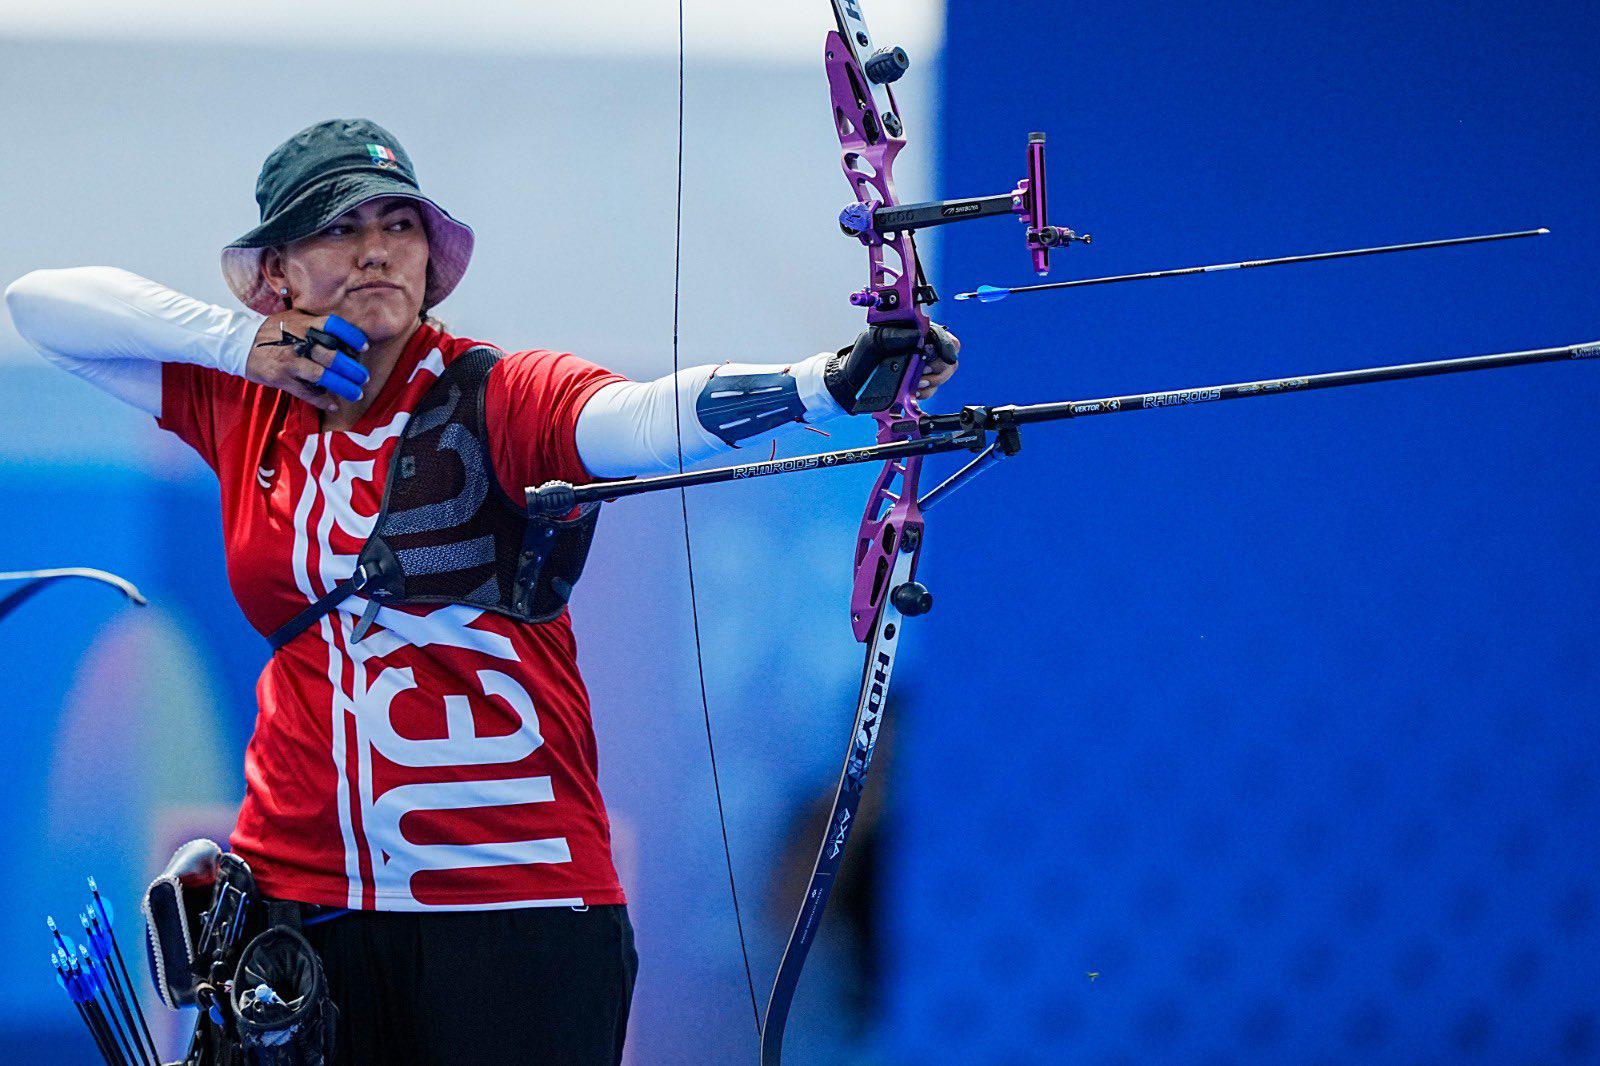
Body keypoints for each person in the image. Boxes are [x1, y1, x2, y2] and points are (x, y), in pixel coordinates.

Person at [4, 117, 958, 1065]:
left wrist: (825, 383)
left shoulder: (497, 394)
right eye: (339, 228)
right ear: (277, 272)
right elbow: (39, 304)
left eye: (399, 225)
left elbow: (630, 419)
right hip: (304, 910)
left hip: (513, 910)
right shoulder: (242, 404)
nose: (376, 249)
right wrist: (235, 343)